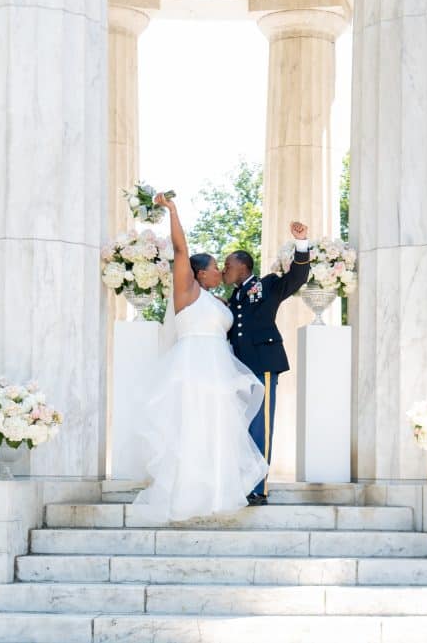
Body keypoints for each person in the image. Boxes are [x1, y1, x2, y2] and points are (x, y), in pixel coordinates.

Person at [131, 193, 268, 521]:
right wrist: (172, 210)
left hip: (219, 372)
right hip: (194, 367)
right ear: (200, 274)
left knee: (218, 431)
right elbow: (181, 250)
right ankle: (188, 496)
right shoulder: (187, 290)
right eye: (216, 267)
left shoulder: (216, 300)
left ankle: (219, 495)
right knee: (193, 428)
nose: (220, 271)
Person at [222, 226, 311, 505]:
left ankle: (259, 488)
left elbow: (297, 277)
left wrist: (301, 243)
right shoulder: (234, 296)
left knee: (261, 426)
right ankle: (243, 483)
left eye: (228, 266)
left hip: (263, 365)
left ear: (243, 266)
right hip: (239, 369)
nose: (224, 271)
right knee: (244, 427)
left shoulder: (268, 285)